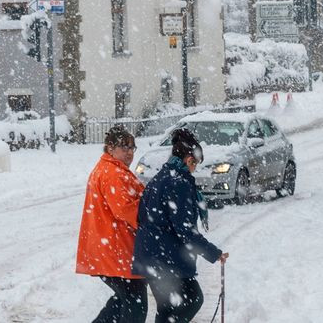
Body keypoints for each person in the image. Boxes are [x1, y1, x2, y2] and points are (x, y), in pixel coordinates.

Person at [132, 128, 228, 323]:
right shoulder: (179, 183)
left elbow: (142, 215)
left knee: (167, 309)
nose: (195, 168)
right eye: (195, 163)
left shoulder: (162, 177)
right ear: (189, 159)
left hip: (152, 255)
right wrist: (212, 252)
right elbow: (185, 230)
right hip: (166, 260)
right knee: (193, 299)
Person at [76, 125, 147, 323]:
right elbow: (126, 210)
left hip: (109, 250)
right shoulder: (113, 173)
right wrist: (153, 219)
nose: (130, 153)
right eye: (124, 147)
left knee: (123, 301)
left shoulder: (110, 169)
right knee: (135, 305)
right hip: (117, 252)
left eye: (132, 148)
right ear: (110, 148)